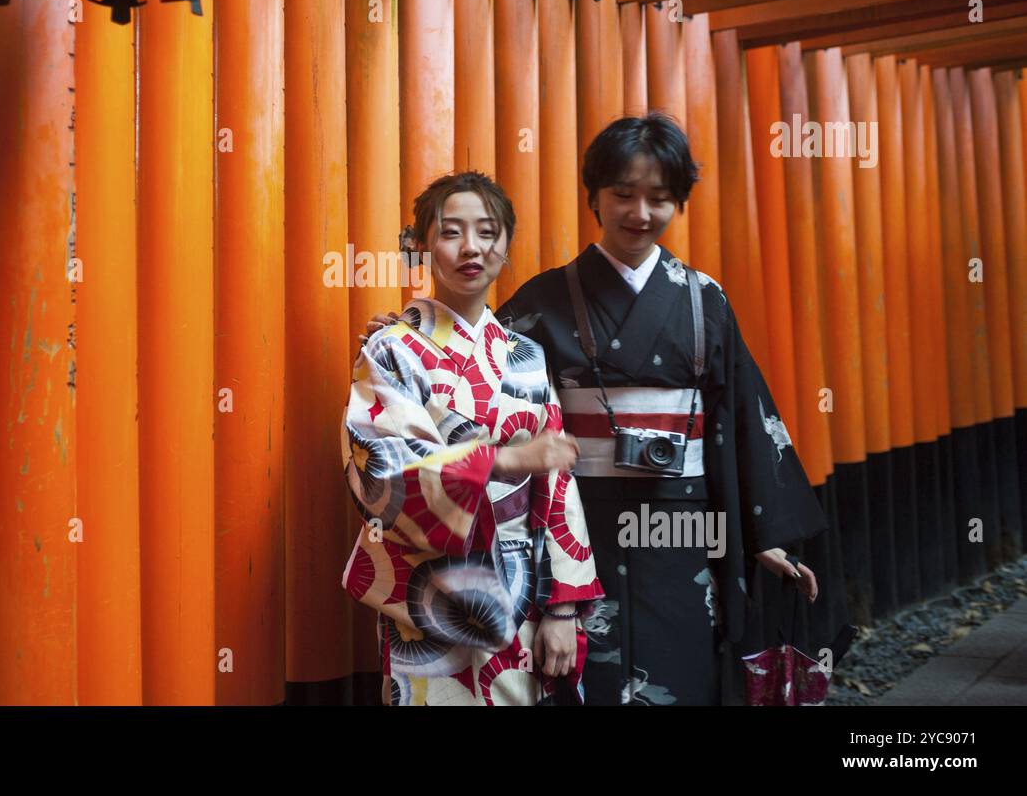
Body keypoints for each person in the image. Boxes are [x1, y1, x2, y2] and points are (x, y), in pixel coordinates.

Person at [364, 114, 827, 705]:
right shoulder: (543, 303)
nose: (639, 213)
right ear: (594, 198)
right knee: (586, 680)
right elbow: (482, 389)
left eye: (658, 198)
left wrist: (758, 532)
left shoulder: (702, 299)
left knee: (684, 670)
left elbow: (739, 417)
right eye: (622, 194)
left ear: (677, 203)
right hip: (580, 524)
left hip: (682, 526)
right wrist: (412, 339)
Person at [341, 171, 604, 706]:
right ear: (421, 245)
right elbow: (384, 476)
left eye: (488, 232)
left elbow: (555, 482)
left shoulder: (526, 357)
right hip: (428, 594)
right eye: (450, 231)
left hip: (526, 590)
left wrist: (561, 607)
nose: (471, 248)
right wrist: (506, 460)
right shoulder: (391, 349)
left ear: (506, 244)